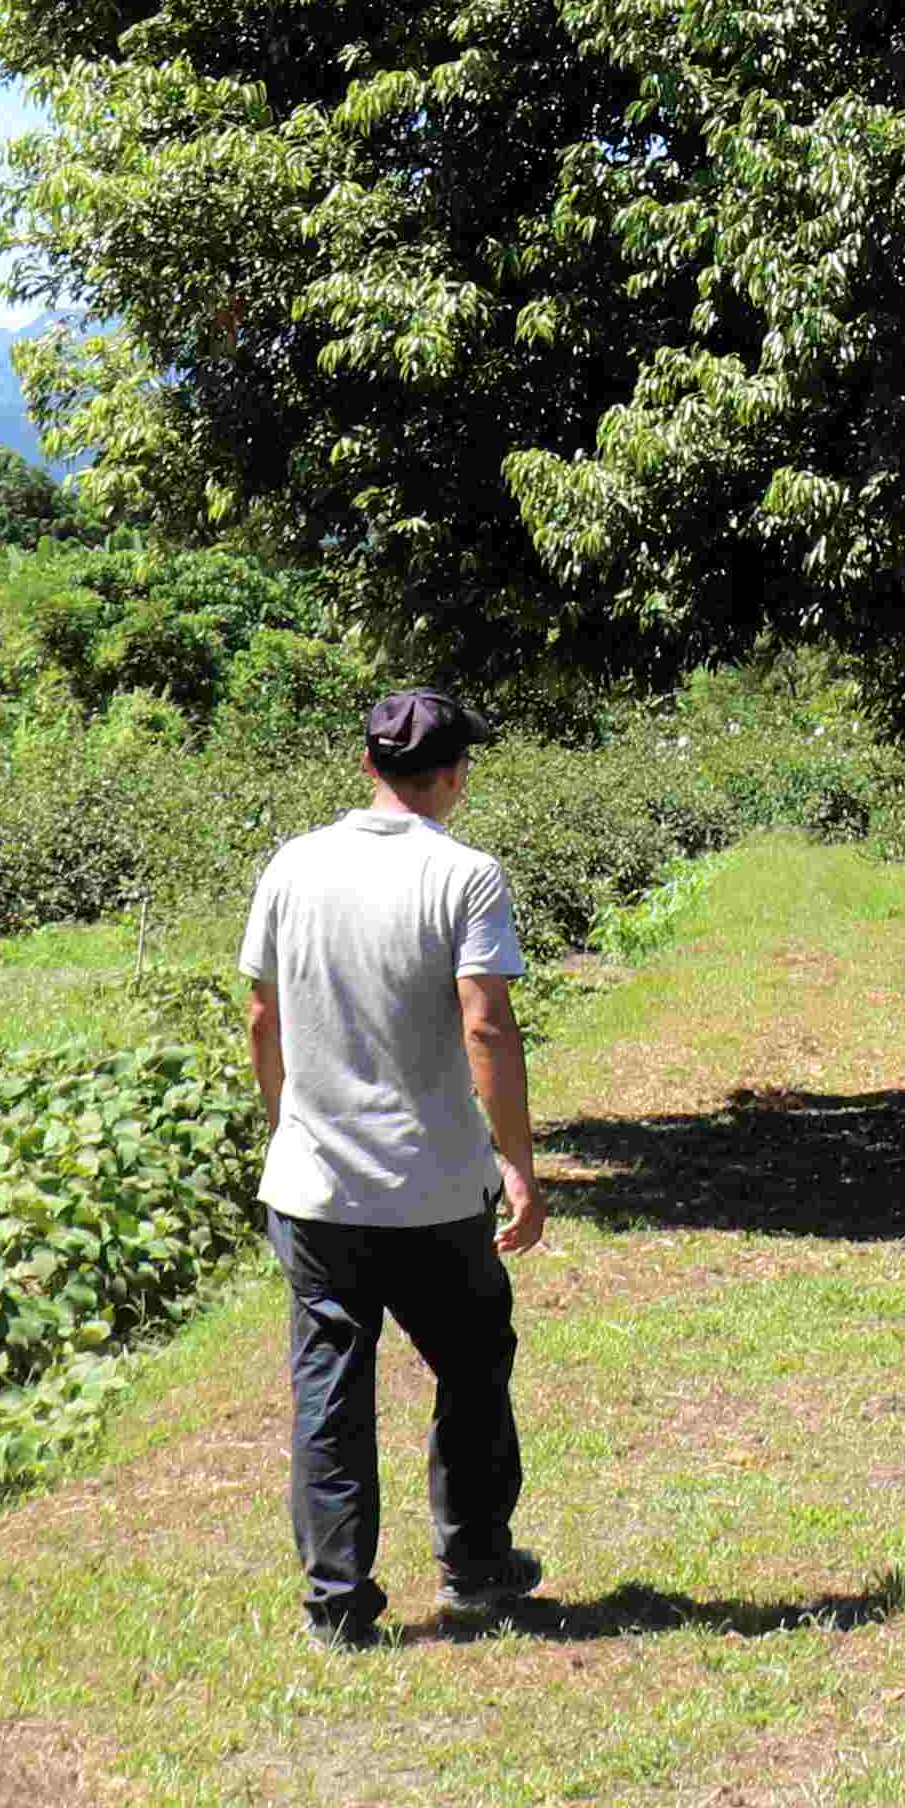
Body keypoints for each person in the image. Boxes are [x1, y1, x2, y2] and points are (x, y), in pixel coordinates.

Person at [240, 685, 549, 1647]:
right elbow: (486, 1024)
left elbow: (260, 1015)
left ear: (369, 765)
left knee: (331, 1388)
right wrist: (521, 1163)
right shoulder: (466, 876)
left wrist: (288, 1122)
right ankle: (477, 1566)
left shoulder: (292, 865)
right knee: (470, 1368)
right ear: (454, 774)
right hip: (435, 1191)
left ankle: (337, 1606)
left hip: (317, 1189)